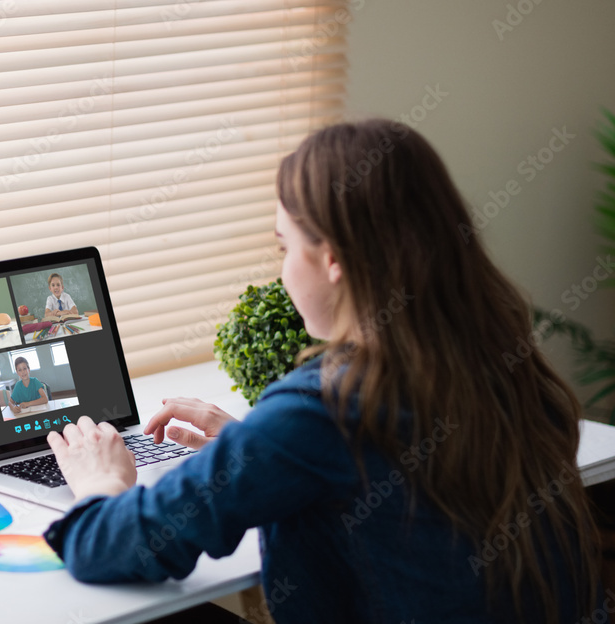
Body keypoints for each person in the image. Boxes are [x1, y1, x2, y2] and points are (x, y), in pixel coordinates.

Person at [42, 119, 602, 623]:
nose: (282, 269)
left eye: (285, 246)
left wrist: (100, 481)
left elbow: (110, 547)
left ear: (332, 259)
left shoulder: (325, 408)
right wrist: (253, 447)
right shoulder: (504, 363)